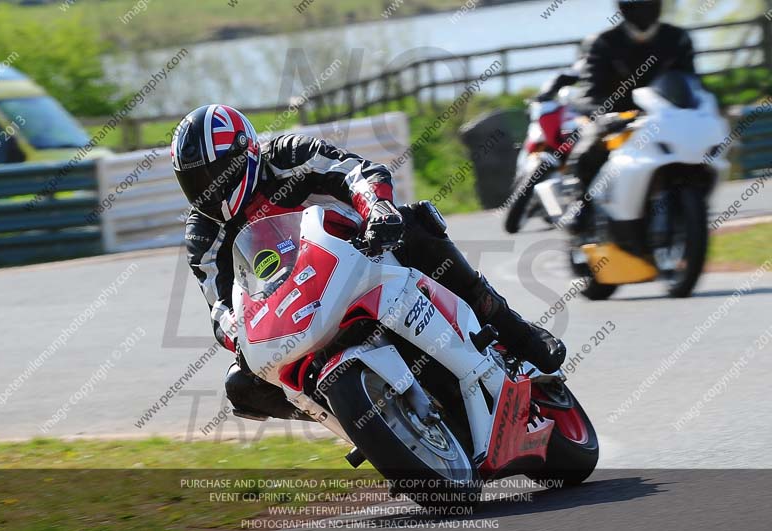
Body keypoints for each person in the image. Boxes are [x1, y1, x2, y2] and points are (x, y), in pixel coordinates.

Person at [172, 104, 566, 421]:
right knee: (241, 386)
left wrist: (378, 210)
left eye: (216, 173)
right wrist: (237, 335)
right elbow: (220, 304)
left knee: (417, 223)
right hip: (293, 306)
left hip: (362, 254)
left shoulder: (287, 156)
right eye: (195, 180)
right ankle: (350, 417)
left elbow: (357, 171)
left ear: (246, 153)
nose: (209, 188)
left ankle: (515, 332)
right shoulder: (203, 232)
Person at [566, 0, 696, 233]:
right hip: (616, 119)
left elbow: (692, 84)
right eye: (639, 5)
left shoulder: (677, 39)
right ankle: (582, 206)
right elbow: (588, 93)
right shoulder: (603, 43)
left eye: (651, 3)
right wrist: (604, 116)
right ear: (624, 8)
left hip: (666, 118)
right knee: (588, 151)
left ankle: (687, 204)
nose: (646, 10)